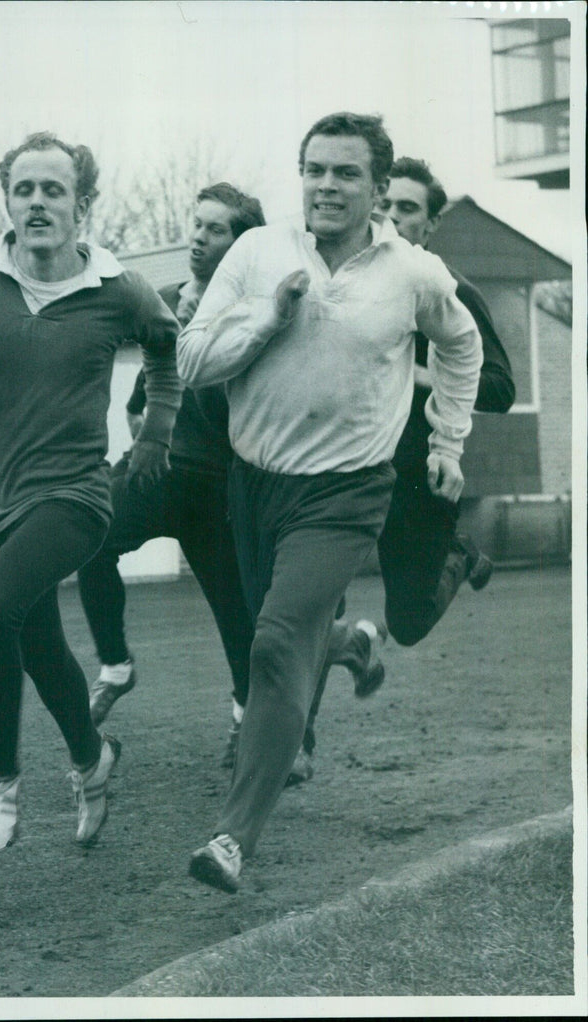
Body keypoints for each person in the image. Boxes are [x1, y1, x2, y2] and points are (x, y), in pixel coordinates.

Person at [177, 113, 483, 892]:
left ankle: (232, 837)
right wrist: (266, 318)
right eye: (315, 169)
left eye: (346, 173)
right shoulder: (255, 253)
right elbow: (193, 360)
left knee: (274, 644)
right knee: (292, 631)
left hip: (347, 492)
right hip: (254, 486)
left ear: (380, 189)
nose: (326, 186)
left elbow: (463, 342)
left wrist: (445, 443)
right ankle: (347, 643)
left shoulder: (411, 273)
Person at [0, 132, 182, 855]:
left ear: (82, 204)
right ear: (9, 202)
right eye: (26, 190)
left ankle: (0, 784)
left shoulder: (121, 290)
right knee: (39, 647)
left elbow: (167, 349)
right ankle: (94, 759)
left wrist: (155, 435)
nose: (39, 203)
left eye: (55, 190)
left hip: (75, 496)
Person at [291, 157, 516, 784]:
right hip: (342, 468)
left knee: (410, 621)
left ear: (433, 221)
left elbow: (498, 386)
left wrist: (416, 372)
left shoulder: (450, 289)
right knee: (314, 605)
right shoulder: (341, 281)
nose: (393, 218)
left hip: (419, 477)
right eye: (387, 205)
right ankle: (295, 744)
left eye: (410, 210)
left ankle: (458, 554)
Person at [77, 184, 264, 768]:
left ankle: (246, 724)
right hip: (160, 471)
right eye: (197, 225)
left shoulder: (258, 314)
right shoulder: (165, 301)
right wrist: (145, 438)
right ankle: (116, 665)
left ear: (242, 244)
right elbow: (138, 397)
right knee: (87, 533)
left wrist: (207, 335)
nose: (199, 238)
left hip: (219, 489)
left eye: (215, 230)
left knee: (238, 619)